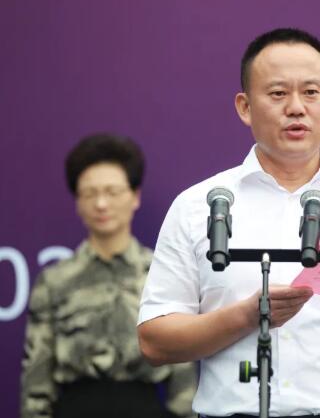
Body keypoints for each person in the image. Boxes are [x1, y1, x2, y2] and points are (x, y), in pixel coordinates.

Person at [137, 28, 320, 417]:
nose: (296, 108)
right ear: (245, 107)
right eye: (278, 93)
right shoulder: (199, 206)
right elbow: (154, 342)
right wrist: (247, 317)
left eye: (311, 92)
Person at [20, 134, 197, 418]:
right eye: (90, 193)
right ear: (78, 201)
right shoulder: (54, 282)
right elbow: (36, 383)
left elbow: (183, 377)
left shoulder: (161, 274)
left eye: (112, 192)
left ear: (135, 196)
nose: (101, 204)